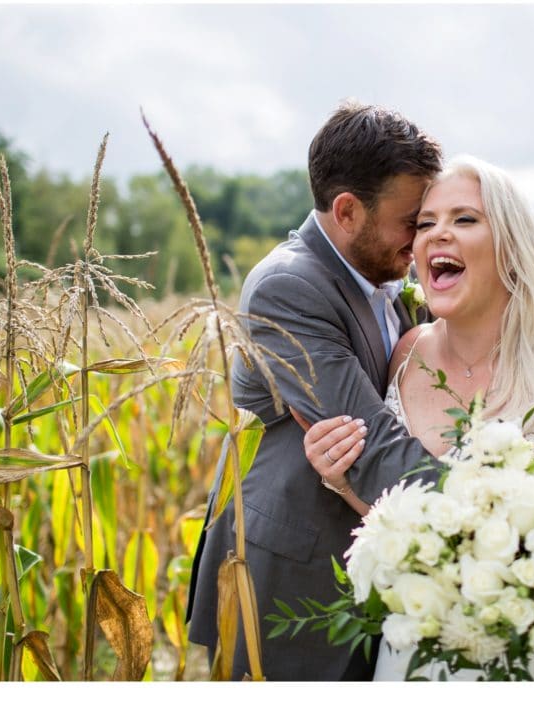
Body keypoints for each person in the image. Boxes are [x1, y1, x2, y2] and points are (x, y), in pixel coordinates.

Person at [302, 155, 534, 681]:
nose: (436, 235)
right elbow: (405, 508)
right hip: (416, 655)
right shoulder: (405, 358)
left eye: (464, 219)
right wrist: (341, 476)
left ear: (513, 243)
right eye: (426, 223)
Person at [185, 100, 443, 681]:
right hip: (292, 582)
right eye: (412, 221)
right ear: (348, 211)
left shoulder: (388, 277)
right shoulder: (289, 287)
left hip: (372, 563)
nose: (422, 238)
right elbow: (369, 443)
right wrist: (489, 519)